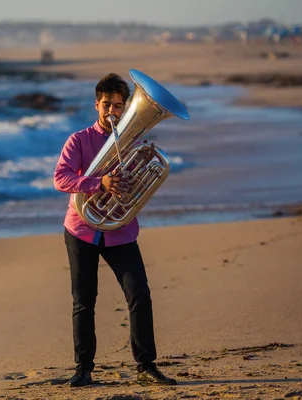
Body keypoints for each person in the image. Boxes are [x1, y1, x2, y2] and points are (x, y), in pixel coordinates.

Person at [53, 73, 177, 387]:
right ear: (97, 104)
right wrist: (99, 183)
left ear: (125, 109)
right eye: (106, 104)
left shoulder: (133, 142)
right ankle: (84, 369)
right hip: (81, 229)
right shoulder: (79, 140)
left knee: (140, 295)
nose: (112, 111)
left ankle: (146, 365)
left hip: (119, 230)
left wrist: (137, 179)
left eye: (118, 106)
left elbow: (140, 187)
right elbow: (61, 178)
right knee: (84, 301)